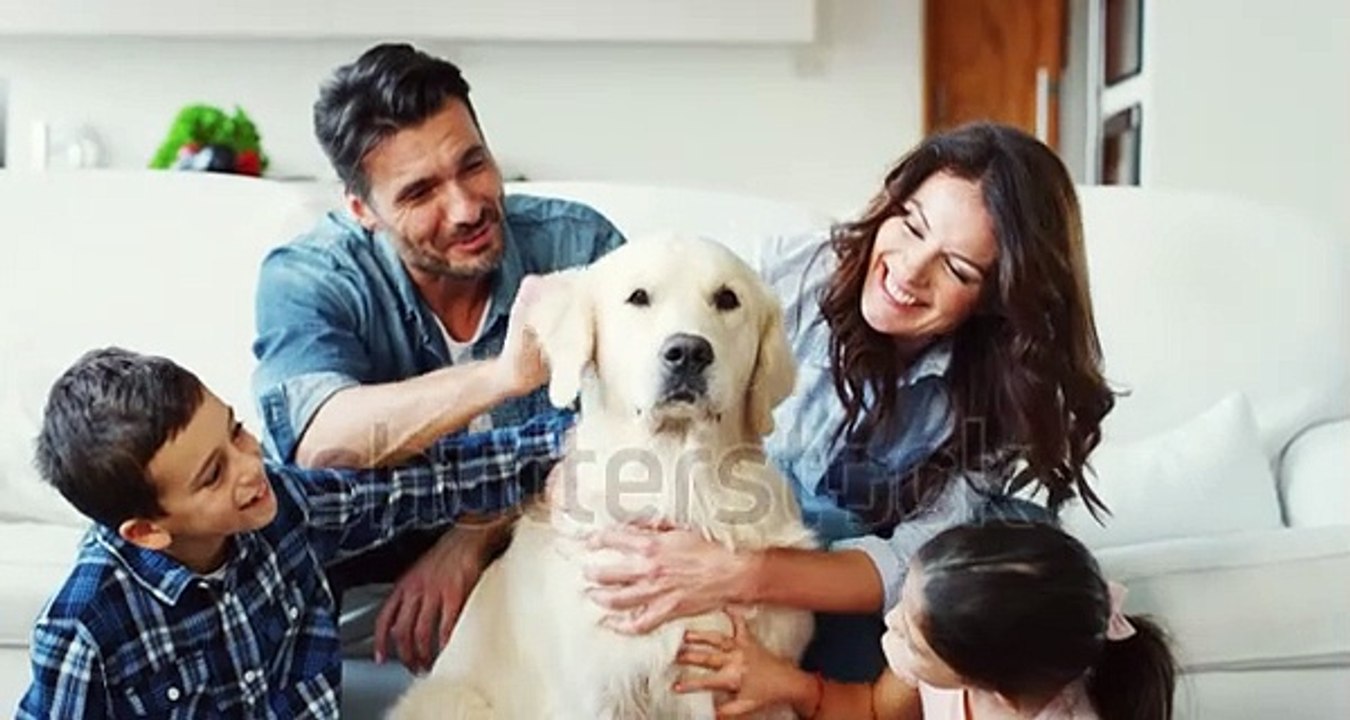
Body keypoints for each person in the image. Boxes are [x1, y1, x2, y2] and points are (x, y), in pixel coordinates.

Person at [581, 123, 1116, 681]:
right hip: (733, 515)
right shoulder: (791, 274)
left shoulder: (1001, 397)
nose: (909, 270)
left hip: (846, 585)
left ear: (998, 298)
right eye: (910, 225)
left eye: (956, 268)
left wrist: (737, 573)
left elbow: (912, 563)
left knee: (1000, 563)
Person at [251, 43, 625, 671]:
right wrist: (502, 377)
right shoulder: (311, 277)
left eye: (472, 164)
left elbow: (631, 433)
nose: (467, 207)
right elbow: (321, 443)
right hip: (364, 564)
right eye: (420, 192)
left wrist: (473, 535)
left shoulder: (577, 244)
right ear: (361, 210)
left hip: (544, 549)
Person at [17, 347, 573, 718]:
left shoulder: (284, 507)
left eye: (235, 431)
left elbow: (428, 483)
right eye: (213, 474)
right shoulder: (85, 624)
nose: (248, 466)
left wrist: (579, 439)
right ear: (147, 531)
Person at [673, 522, 1176, 720]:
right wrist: (788, 685)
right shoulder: (948, 655)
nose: (889, 621)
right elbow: (873, 710)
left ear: (988, 687)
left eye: (914, 639)